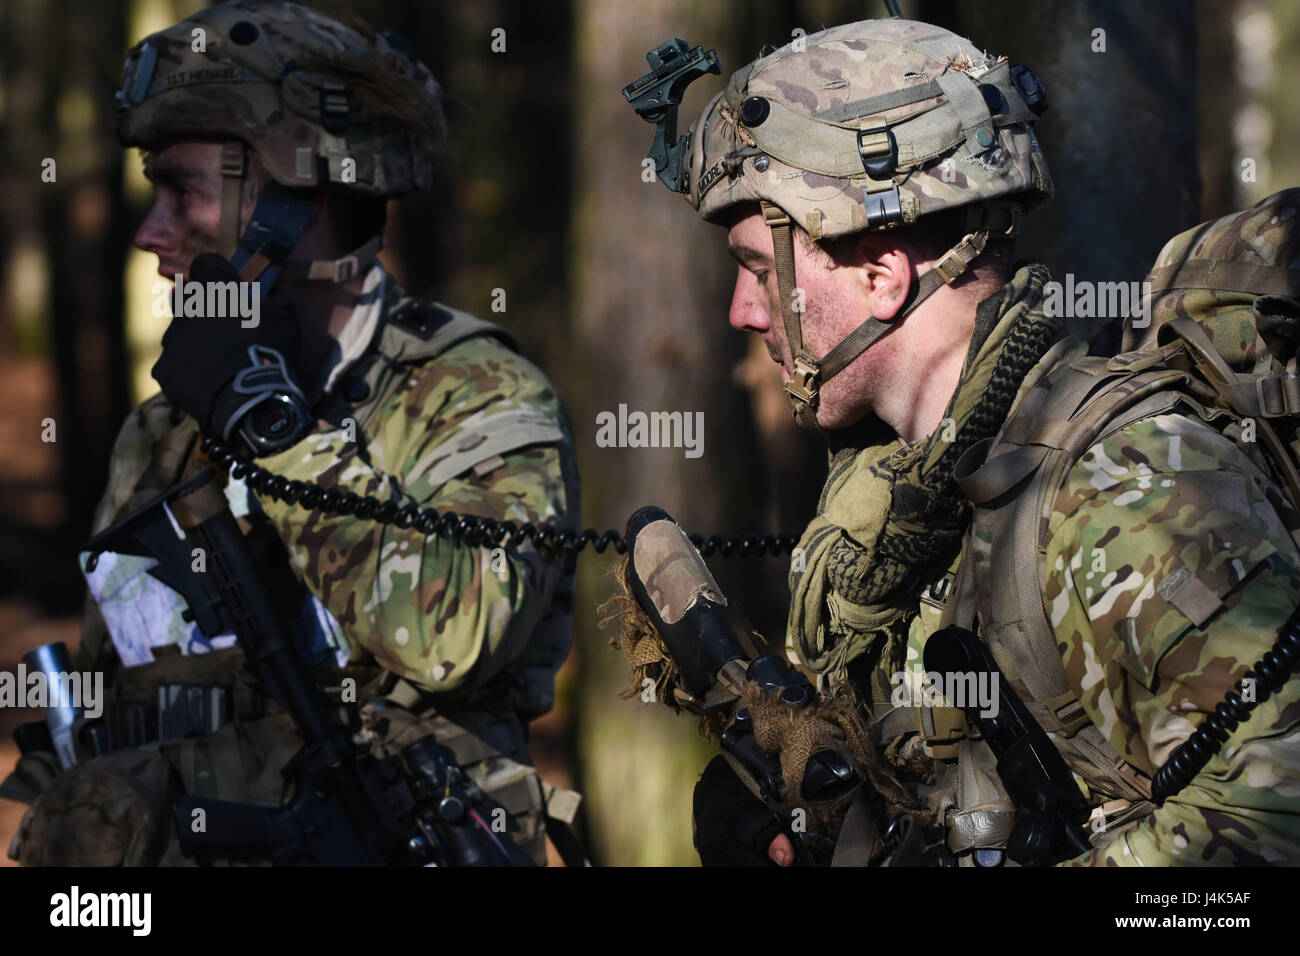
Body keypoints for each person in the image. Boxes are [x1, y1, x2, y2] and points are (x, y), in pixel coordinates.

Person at [655, 18, 1300, 865]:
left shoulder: (1126, 484)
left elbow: (1270, 824)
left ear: (883, 277)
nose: (742, 312)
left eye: (759, 269)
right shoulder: (892, 512)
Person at [5, 0, 581, 866]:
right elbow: (123, 677)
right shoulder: (162, 428)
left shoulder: (471, 394)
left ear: (296, 199)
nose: (149, 233)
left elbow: (454, 635)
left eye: (182, 190)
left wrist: (272, 429)